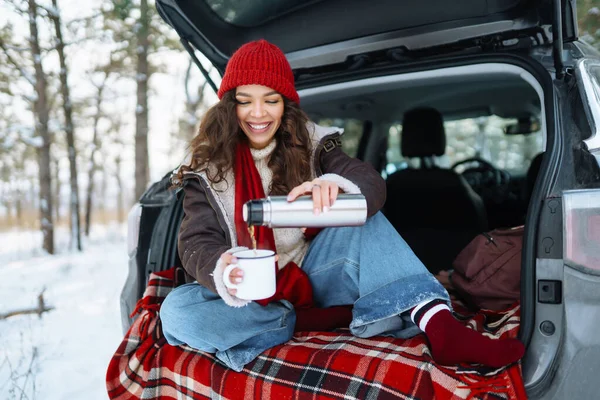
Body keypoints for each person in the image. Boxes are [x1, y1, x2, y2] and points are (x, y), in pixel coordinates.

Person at [160, 39, 525, 372]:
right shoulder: (206, 172)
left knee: (365, 219)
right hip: (248, 291)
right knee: (176, 312)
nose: (259, 113)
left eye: (270, 99)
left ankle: (444, 329)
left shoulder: (317, 145)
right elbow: (196, 242)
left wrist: (335, 187)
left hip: (316, 272)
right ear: (230, 104)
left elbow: (370, 183)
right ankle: (290, 321)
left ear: (285, 104)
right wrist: (221, 268)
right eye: (246, 100)